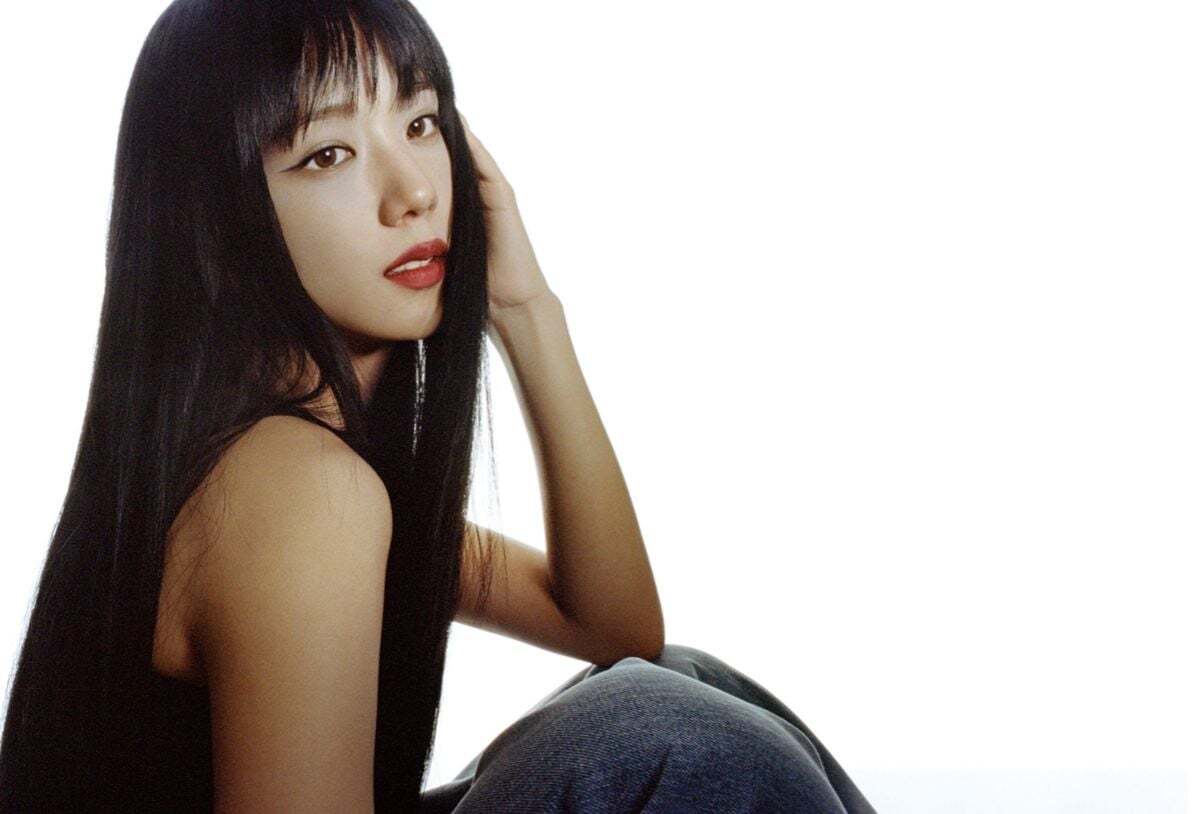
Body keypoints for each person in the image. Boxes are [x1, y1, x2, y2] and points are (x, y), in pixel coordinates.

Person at [0, 1, 876, 811]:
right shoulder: (296, 490)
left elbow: (615, 627)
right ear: (216, 220)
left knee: (687, 682)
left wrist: (526, 310)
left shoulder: (297, 467)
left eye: (420, 123)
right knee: (674, 735)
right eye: (327, 154)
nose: (414, 191)